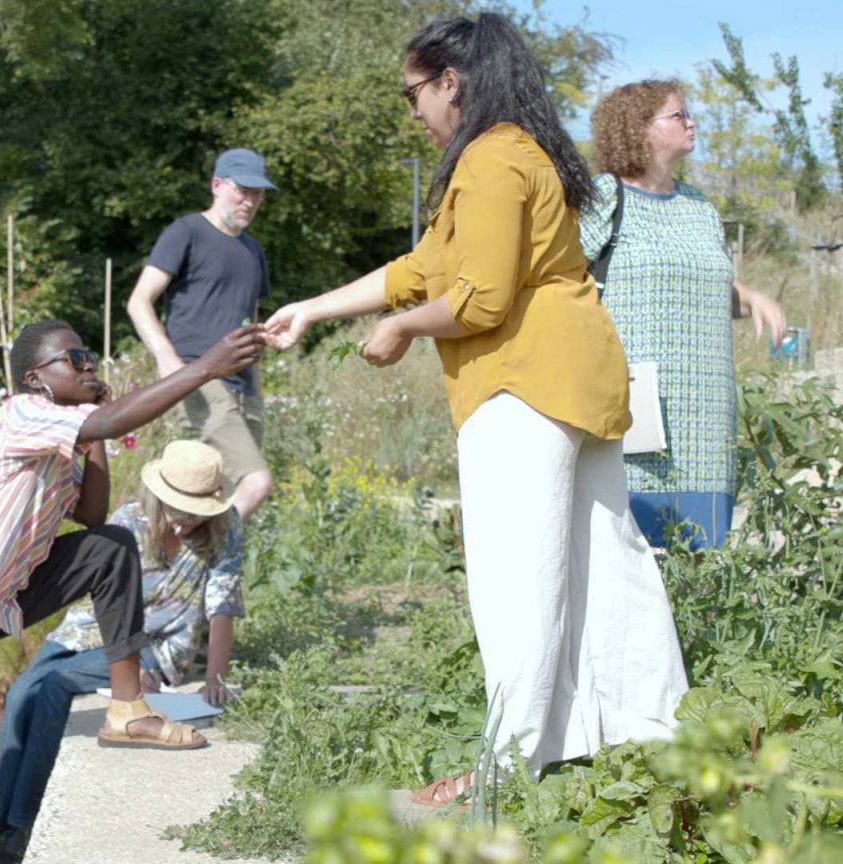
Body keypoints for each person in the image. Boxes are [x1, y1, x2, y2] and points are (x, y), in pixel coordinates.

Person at [265, 13, 689, 803]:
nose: (412, 112)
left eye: (413, 94)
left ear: (451, 82)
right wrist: (315, 308)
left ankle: (507, 771)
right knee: (607, 568)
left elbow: (479, 301)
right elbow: (423, 266)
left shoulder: (491, 160)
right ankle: (657, 743)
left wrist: (398, 328)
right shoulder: (519, 153)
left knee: (517, 580)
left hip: (521, 385)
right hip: (576, 379)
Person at [0, 320, 265, 864]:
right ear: (37, 378)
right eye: (75, 358)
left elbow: (91, 514)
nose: (89, 365)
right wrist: (204, 368)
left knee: (109, 548)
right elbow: (110, 418)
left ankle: (127, 709)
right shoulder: (20, 414)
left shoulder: (62, 439)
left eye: (90, 357)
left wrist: (94, 440)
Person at [0, 438, 246, 859]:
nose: (183, 520)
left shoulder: (225, 527)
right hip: (88, 633)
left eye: (195, 512)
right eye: (176, 507)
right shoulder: (131, 523)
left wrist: (214, 677)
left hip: (153, 647)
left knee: (53, 687)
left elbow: (223, 603)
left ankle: (21, 825)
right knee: (20, 693)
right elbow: (106, 604)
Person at [580, 80, 785, 550]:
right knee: (634, 554)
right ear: (638, 129)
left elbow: (703, 287)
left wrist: (750, 298)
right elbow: (560, 276)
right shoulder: (605, 196)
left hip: (707, 412)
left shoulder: (700, 206)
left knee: (702, 554)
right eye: (678, 115)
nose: (691, 122)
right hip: (636, 396)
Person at [126, 148, 277, 520]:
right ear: (217, 185)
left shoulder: (253, 251)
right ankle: (200, 559)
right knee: (254, 483)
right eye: (242, 190)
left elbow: (250, 324)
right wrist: (168, 360)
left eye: (257, 193)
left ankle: (169, 562)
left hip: (243, 390)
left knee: (211, 498)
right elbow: (139, 301)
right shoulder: (187, 232)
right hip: (197, 378)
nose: (250, 200)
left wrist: (257, 394)